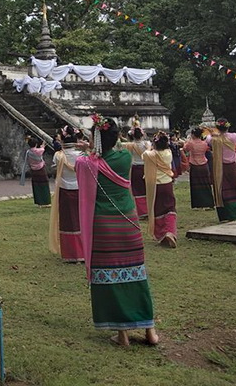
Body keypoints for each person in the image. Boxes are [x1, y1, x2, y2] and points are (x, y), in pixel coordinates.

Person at [75, 114, 158, 347]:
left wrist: (90, 148)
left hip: (104, 226)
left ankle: (122, 335)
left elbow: (84, 161)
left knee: (108, 278)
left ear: (96, 139)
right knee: (137, 275)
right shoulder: (124, 157)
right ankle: (149, 330)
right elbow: (115, 145)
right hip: (128, 223)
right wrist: (97, 143)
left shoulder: (87, 163)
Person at [48, 126, 85, 262]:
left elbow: (54, 168)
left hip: (64, 189)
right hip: (79, 189)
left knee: (67, 221)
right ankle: (83, 251)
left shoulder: (58, 156)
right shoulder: (81, 156)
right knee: (81, 220)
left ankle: (70, 254)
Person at [142, 132, 177, 248]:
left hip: (155, 186)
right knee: (170, 208)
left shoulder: (149, 155)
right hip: (167, 184)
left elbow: (145, 155)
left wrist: (149, 147)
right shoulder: (168, 153)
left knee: (157, 209)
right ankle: (170, 232)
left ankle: (162, 234)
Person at [208, 118, 236, 222]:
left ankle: (224, 215)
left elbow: (208, 138)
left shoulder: (213, 139)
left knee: (221, 189)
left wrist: (213, 133)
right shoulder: (233, 136)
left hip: (219, 167)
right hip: (231, 166)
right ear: (227, 127)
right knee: (234, 188)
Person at [183, 127, 215, 209]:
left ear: (193, 135)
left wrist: (187, 141)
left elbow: (185, 149)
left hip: (195, 165)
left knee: (195, 186)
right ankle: (209, 202)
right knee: (206, 184)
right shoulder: (204, 143)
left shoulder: (191, 143)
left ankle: (197, 204)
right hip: (204, 164)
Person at [122, 124, 150, 218]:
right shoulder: (147, 144)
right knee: (146, 189)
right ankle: (149, 209)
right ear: (142, 135)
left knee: (137, 190)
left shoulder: (129, 145)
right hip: (146, 168)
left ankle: (141, 211)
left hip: (135, 168)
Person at [20, 136, 50, 206]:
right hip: (41, 169)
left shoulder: (28, 152)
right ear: (36, 144)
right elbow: (42, 149)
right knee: (44, 184)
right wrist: (43, 145)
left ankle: (38, 201)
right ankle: (46, 201)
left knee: (36, 185)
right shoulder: (39, 151)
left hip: (33, 170)